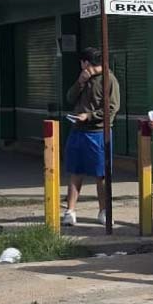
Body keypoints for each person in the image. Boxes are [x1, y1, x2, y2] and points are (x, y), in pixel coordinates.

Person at [62, 48, 121, 227]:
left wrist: (90, 116)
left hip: (98, 133)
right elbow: (70, 98)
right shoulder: (83, 78)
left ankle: (103, 211)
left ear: (86, 62)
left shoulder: (109, 79)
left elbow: (112, 107)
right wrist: (80, 82)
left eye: (82, 63)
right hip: (78, 131)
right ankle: (70, 211)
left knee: (100, 174)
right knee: (75, 172)